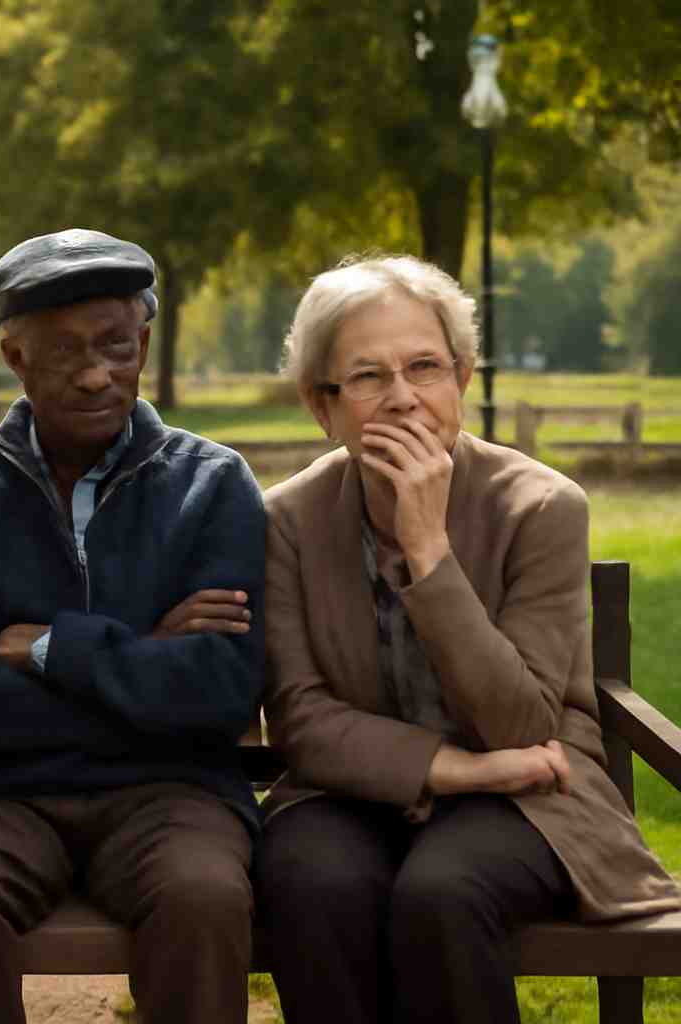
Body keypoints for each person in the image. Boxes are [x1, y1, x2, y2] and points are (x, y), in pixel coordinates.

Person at [256, 254, 681, 1024]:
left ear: (462, 377)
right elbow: (302, 721)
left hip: (531, 795)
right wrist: (463, 771)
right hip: (347, 791)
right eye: (367, 377)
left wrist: (428, 550)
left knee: (443, 893)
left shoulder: (542, 508)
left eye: (426, 366)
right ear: (322, 405)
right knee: (314, 883)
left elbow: (523, 725)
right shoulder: (286, 519)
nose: (404, 397)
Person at [0, 228, 266, 1024]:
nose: (97, 374)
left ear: (144, 343)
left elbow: (220, 691)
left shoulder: (213, 484)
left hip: (173, 791)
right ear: (16, 358)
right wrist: (145, 660)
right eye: (65, 351)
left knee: (203, 895)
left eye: (116, 345)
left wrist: (49, 648)